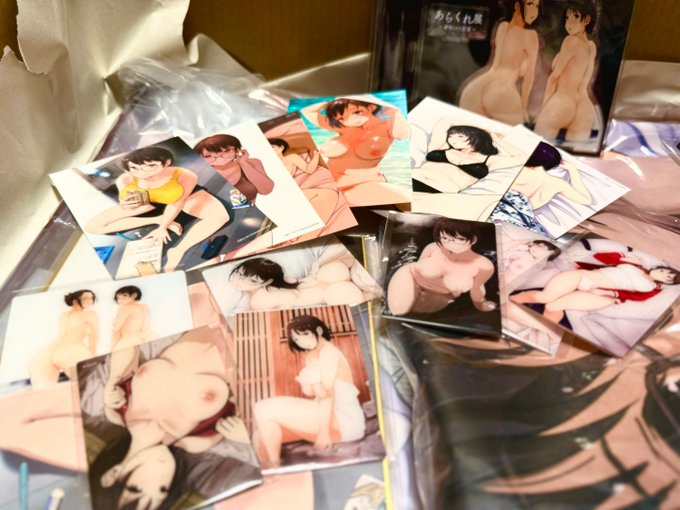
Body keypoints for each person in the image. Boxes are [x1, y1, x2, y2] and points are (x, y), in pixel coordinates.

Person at [97, 327, 251, 509]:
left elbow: (129, 340)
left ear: (111, 475)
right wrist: (248, 434)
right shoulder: (197, 440)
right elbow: (250, 395)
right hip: (247, 339)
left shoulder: (117, 410)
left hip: (197, 322)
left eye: (136, 488)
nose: (162, 477)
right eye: (162, 489)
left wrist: (114, 378)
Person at [85, 146, 230, 272]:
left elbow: (178, 202)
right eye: (134, 168)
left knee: (219, 216)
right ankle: (157, 218)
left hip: (178, 198)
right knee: (93, 226)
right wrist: (126, 204)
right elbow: (125, 199)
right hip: (148, 203)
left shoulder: (185, 175)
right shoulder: (125, 179)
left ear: (167, 162)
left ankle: (178, 250)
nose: (143, 172)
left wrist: (163, 227)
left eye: (151, 166)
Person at [251, 315, 365, 468]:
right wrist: (310, 384)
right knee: (260, 435)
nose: (301, 341)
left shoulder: (328, 352)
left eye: (304, 334)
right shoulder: (311, 356)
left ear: (318, 330)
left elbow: (327, 394)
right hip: (325, 413)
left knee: (262, 408)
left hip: (343, 419)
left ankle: (274, 468)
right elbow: (311, 392)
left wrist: (323, 433)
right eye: (296, 339)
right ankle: (273, 470)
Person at [299, 96, 410, 206]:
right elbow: (307, 111)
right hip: (330, 184)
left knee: (404, 201)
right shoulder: (344, 127)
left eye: (357, 112)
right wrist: (332, 104)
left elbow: (403, 135)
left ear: (371, 107)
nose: (350, 120)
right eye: (341, 118)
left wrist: (394, 113)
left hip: (364, 184)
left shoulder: (386, 126)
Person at [511, 251, 680, 323]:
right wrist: (623, 257)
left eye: (668, 277)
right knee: (545, 297)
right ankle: (511, 301)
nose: (663, 274)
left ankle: (540, 329)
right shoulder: (637, 265)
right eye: (665, 271)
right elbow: (601, 257)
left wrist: (611, 293)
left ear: (667, 283)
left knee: (553, 306)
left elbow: (634, 297)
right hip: (584, 276)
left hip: (602, 295)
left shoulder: (651, 288)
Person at [387, 218, 497, 315]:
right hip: (410, 277)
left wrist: (480, 304)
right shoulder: (433, 247)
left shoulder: (483, 265)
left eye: (459, 240)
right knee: (398, 310)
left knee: (406, 315)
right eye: (445, 238)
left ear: (473, 239)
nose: (451, 245)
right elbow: (419, 263)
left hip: (438, 298)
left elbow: (477, 288)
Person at [458, 0, 541, 125]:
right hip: (503, 90)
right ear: (517, 6)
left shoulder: (503, 26)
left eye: (537, 6)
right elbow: (529, 76)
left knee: (467, 133)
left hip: (477, 87)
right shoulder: (530, 35)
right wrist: (523, 108)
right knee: (514, 136)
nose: (535, 11)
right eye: (530, 4)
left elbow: (496, 63)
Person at [491, 142, 592, 235]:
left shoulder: (521, 171)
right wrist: (572, 170)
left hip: (498, 218)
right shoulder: (557, 183)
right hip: (524, 227)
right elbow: (587, 200)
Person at [534, 1, 598, 142]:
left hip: (563, 102)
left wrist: (544, 108)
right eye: (567, 18)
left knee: (536, 146)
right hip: (584, 106)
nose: (569, 23)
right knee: (573, 153)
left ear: (587, 20)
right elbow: (584, 83)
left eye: (575, 17)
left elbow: (554, 77)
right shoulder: (591, 47)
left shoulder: (570, 41)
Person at [412, 122, 528, 193]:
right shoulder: (444, 146)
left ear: (477, 137)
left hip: (440, 191)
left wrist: (495, 138)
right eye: (451, 136)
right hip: (414, 178)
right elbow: (445, 121)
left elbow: (523, 157)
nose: (452, 139)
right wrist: (482, 129)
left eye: (460, 136)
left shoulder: (489, 160)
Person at [228, 253, 369, 311]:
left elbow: (290, 296)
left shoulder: (258, 300)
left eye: (251, 280)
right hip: (331, 289)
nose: (239, 281)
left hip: (330, 279)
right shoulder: (258, 299)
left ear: (266, 282)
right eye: (239, 274)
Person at [29, 290, 99, 385]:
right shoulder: (90, 314)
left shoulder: (64, 315)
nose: (90, 301)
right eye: (85, 298)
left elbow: (61, 336)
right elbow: (94, 337)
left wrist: (44, 354)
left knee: (45, 387)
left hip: (55, 350)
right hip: (74, 350)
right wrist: (94, 357)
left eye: (91, 298)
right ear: (75, 301)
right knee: (89, 383)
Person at [268, 137, 338, 232]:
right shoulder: (267, 163)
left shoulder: (291, 157)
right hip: (276, 193)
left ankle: (313, 230)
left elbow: (309, 169)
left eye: (272, 147)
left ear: (281, 148)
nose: (269, 149)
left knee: (329, 195)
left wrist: (316, 155)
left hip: (288, 192)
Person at [194, 134, 274, 202]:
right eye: (208, 156)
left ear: (238, 149)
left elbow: (266, 190)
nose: (219, 157)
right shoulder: (201, 174)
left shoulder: (252, 163)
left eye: (226, 151)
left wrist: (243, 163)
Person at [111, 285, 154, 350]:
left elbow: (117, 328)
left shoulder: (125, 308)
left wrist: (113, 346)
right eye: (118, 297)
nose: (120, 299)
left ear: (134, 295)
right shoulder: (144, 307)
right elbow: (146, 326)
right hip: (143, 338)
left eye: (125, 295)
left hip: (128, 340)